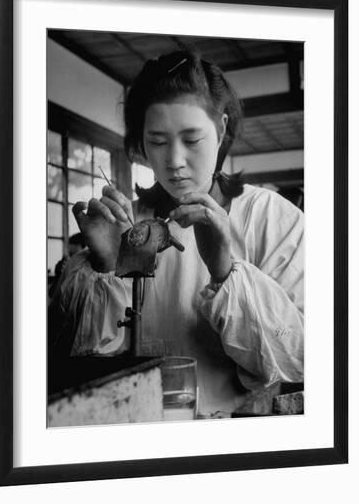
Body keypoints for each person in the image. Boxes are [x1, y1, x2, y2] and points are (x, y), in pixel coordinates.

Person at [49, 50, 304, 415]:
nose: (174, 161)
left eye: (192, 139)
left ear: (220, 128)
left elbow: (303, 359)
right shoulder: (128, 223)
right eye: (157, 141)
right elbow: (74, 365)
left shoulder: (272, 218)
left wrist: (224, 272)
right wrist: (106, 265)